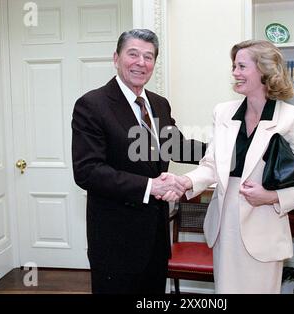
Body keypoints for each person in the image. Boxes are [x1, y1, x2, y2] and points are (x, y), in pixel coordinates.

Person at [164, 40, 294, 293]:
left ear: (264, 71)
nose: (235, 73)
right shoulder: (223, 112)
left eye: (241, 66)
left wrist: (270, 196)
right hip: (224, 227)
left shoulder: (293, 118)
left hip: (264, 227)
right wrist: (186, 181)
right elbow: (211, 165)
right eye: (234, 66)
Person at [71, 29, 206, 294]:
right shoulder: (92, 105)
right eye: (133, 54)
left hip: (155, 238)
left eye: (148, 56)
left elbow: (175, 147)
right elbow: (88, 171)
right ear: (116, 58)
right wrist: (149, 187)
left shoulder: (158, 104)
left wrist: (227, 150)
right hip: (115, 241)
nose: (140, 62)